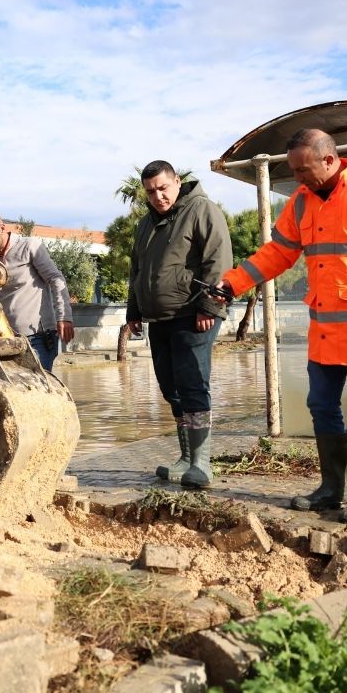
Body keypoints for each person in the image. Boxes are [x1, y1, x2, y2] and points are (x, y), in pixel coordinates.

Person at [218, 129, 347, 525]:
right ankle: (331, 490)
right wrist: (233, 283)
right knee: (321, 405)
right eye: (293, 170)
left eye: (303, 169)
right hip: (327, 329)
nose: (298, 178)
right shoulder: (300, 202)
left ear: (329, 160)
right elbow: (277, 253)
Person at [125, 161, 233, 489]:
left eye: (163, 188)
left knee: (192, 385)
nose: (158, 196)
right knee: (170, 387)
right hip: (160, 317)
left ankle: (201, 463)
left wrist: (209, 306)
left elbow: (219, 260)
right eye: (150, 191)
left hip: (193, 313)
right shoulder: (145, 224)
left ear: (177, 181)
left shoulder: (202, 210)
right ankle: (186, 457)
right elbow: (137, 269)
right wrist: (134, 311)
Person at [0, 211, 74, 372]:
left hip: (38, 338)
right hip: (5, 340)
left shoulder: (29, 246)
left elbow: (56, 278)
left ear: (2, 228)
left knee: (40, 391)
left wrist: (64, 317)